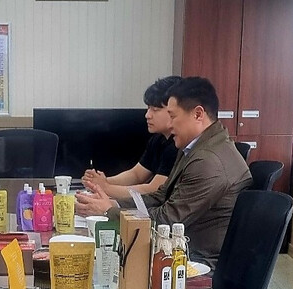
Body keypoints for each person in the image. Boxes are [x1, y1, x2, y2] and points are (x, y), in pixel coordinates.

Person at [76, 77, 252, 268]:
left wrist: (109, 211)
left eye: (173, 116)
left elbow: (167, 220)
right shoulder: (195, 147)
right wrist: (113, 204)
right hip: (179, 248)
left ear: (198, 114)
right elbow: (160, 196)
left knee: (101, 264)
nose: (170, 124)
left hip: (198, 260)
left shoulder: (209, 161)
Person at [82, 76, 181, 198]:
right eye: (148, 108)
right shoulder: (158, 139)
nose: (147, 115)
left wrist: (106, 187)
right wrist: (102, 182)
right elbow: (136, 175)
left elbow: (154, 190)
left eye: (155, 110)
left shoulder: (177, 145)